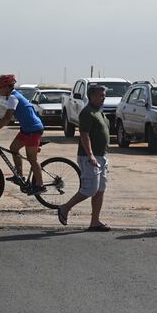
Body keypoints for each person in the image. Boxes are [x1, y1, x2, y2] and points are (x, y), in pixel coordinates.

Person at [57, 85, 111, 231]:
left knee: (100, 190)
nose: (103, 97)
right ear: (92, 96)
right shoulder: (87, 112)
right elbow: (84, 135)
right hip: (89, 158)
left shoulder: (99, 112)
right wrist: (91, 155)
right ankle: (65, 208)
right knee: (89, 189)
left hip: (102, 157)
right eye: (100, 95)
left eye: (104, 95)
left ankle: (95, 221)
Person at [0, 75, 46, 195]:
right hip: (26, 129)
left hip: (33, 130)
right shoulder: (12, 96)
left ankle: (40, 185)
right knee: (13, 148)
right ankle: (19, 176)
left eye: (0, 87)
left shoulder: (13, 97)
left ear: (7, 87)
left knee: (32, 159)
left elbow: (7, 117)